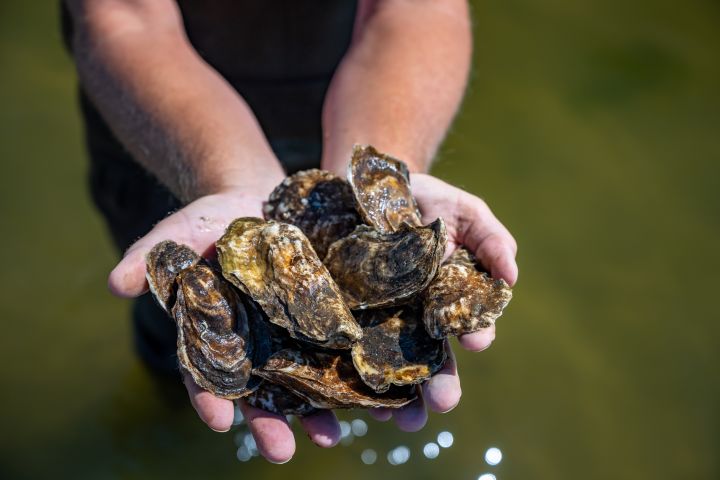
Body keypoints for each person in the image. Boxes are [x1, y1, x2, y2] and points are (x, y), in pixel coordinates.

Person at [62, 0, 518, 464]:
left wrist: (378, 180)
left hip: (366, 93)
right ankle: (168, 404)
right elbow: (125, 18)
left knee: (328, 387)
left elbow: (420, 10)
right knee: (174, 328)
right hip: (161, 119)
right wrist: (227, 178)